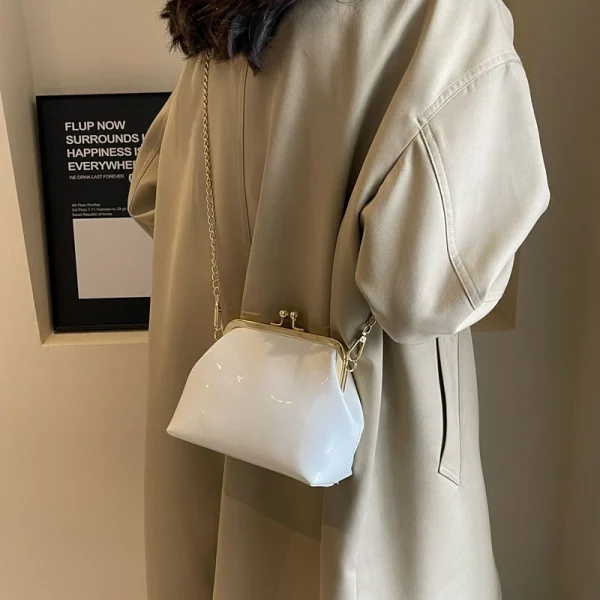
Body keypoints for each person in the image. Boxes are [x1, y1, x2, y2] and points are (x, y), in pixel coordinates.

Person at [128, 0, 550, 598]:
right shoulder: (441, 17)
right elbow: (422, 291)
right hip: (362, 459)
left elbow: (149, 192)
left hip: (211, 439)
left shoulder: (218, 19)